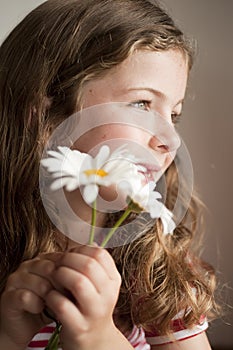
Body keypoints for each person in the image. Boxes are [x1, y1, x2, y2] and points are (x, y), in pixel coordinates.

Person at [0, 0, 219, 349]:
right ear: (46, 119)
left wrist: (100, 339)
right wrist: (11, 338)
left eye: (174, 114)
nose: (171, 138)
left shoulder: (159, 271)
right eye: (141, 104)